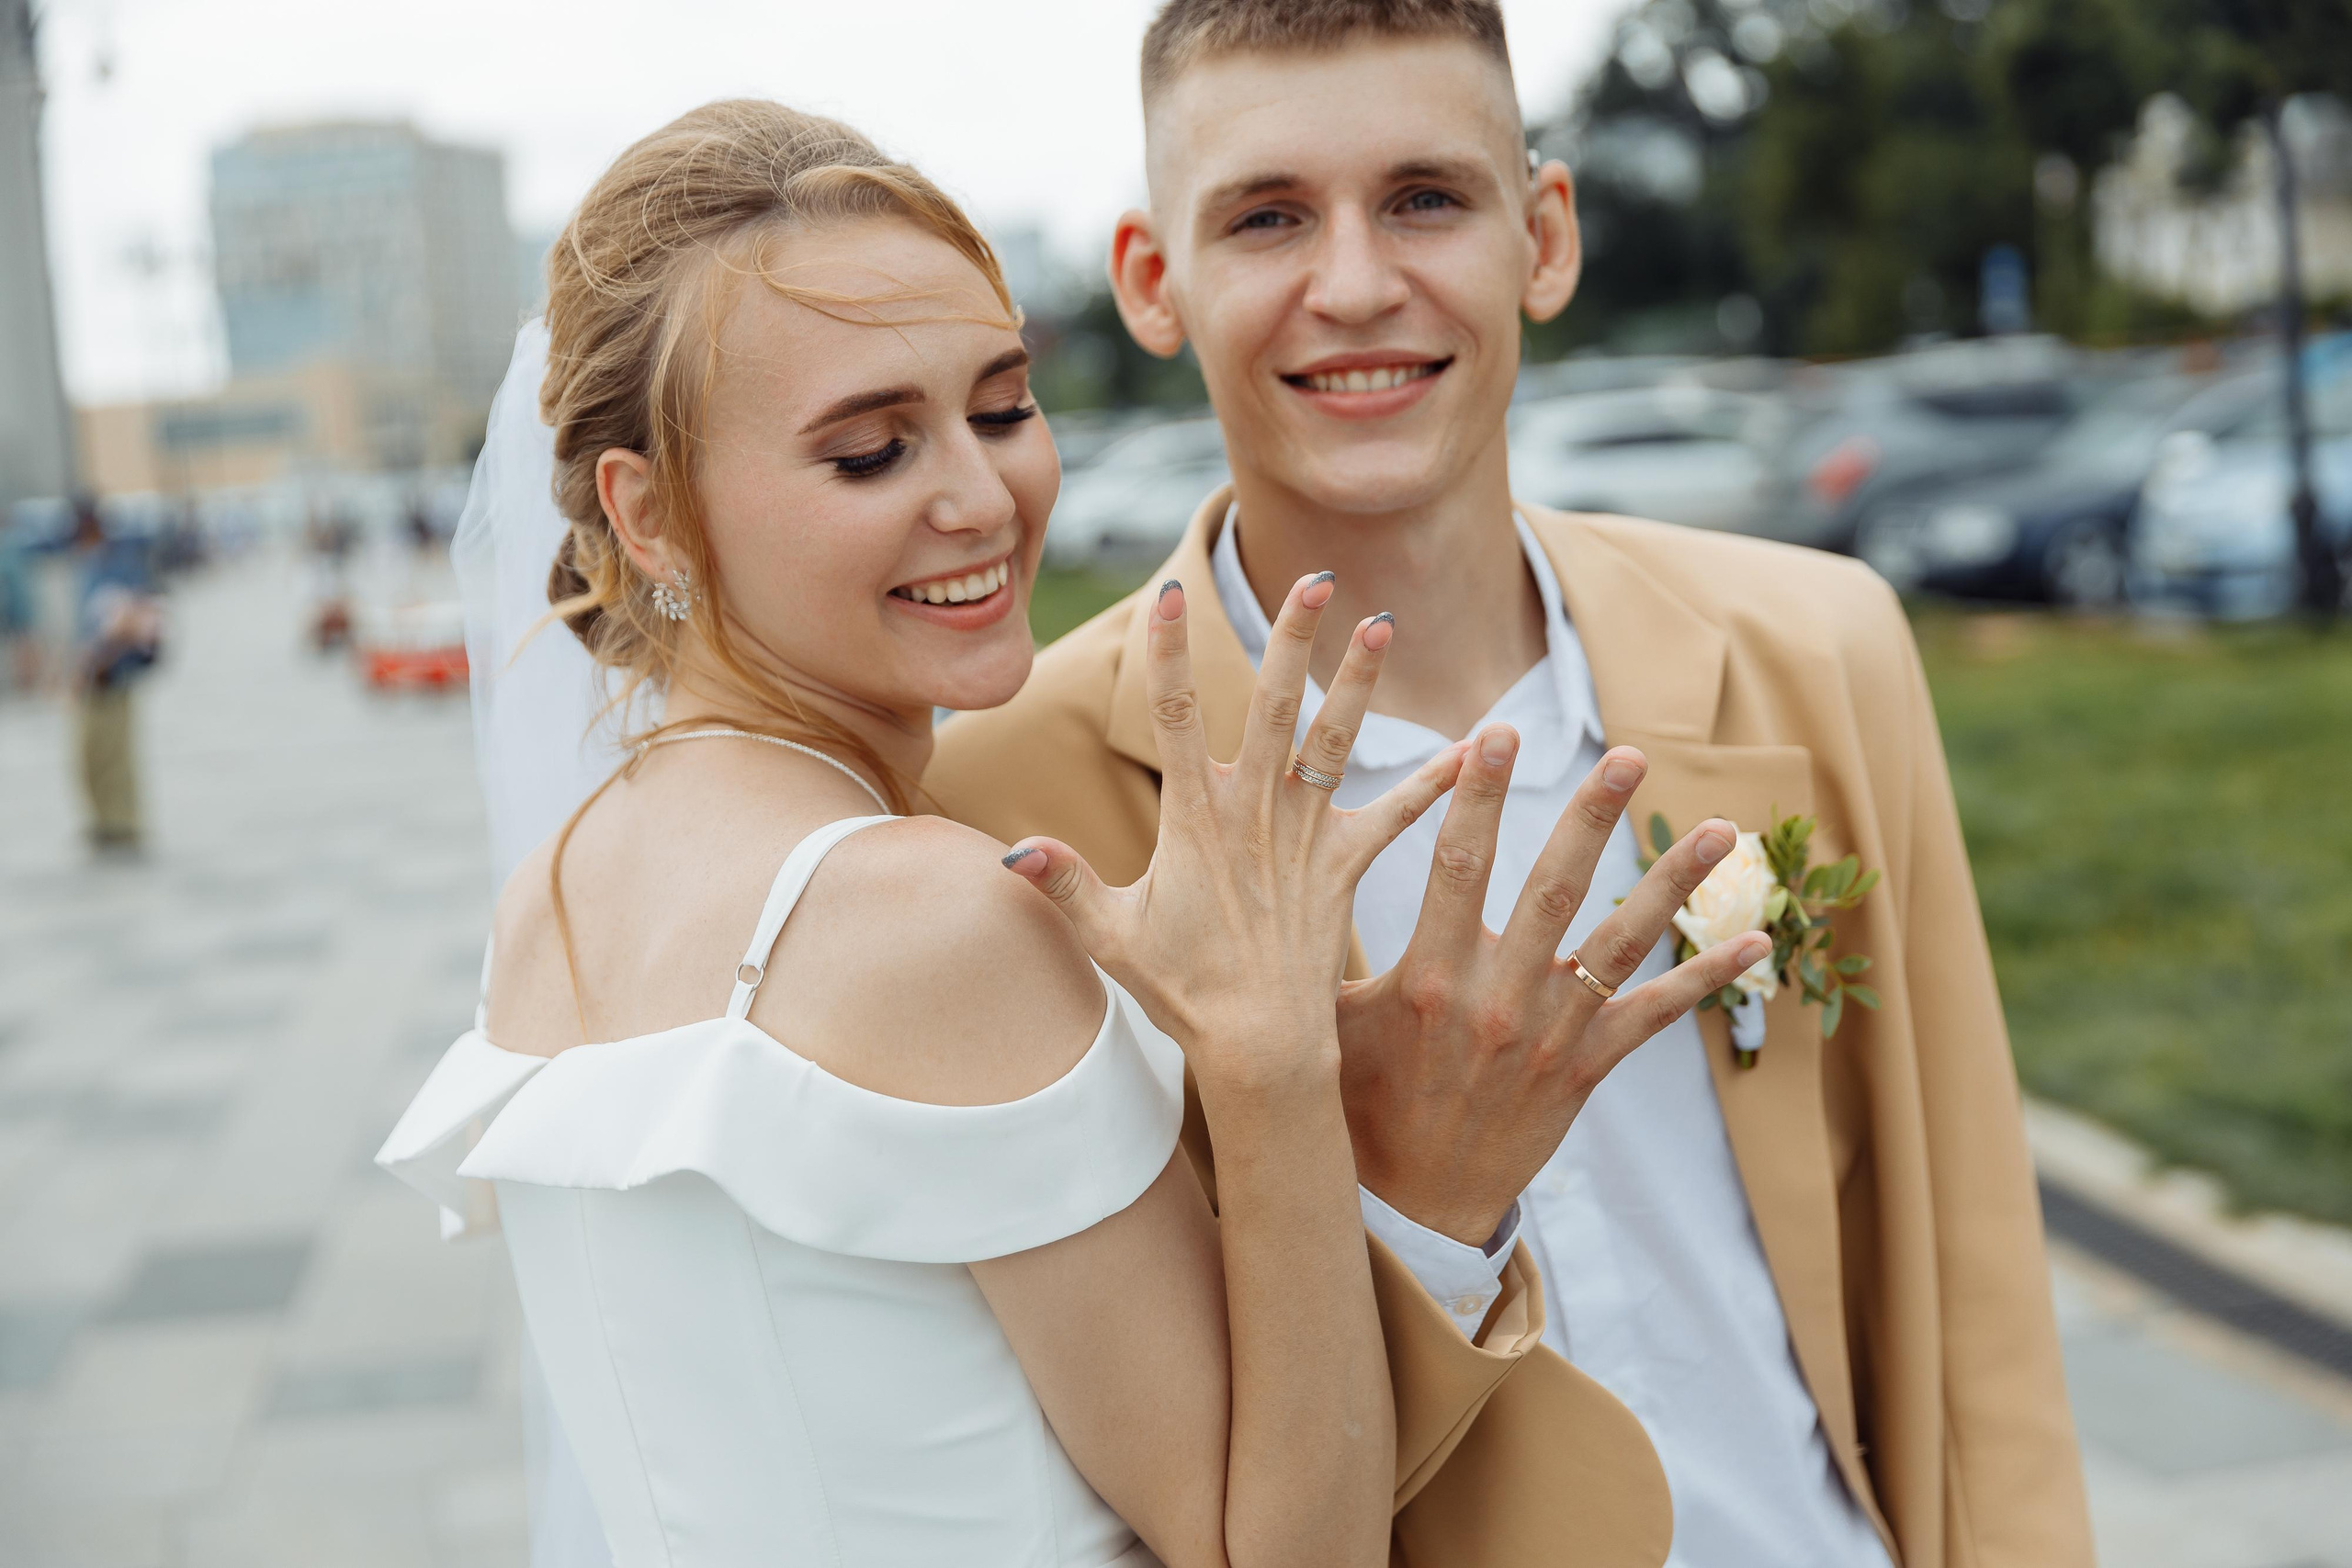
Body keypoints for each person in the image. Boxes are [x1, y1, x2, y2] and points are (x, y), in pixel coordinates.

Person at [381, 101, 1764, 1568]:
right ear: (646, 514)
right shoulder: (934, 920)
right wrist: (1274, 1052)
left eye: (999, 406)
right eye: (868, 453)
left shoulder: (557, 887)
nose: (982, 498)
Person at [927, 4, 2096, 1566]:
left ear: (1542, 236)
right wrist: (1418, 1209)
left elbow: (1976, 1289)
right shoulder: (1002, 803)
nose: (1353, 285)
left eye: (1424, 197)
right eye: (1268, 216)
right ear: (1155, 281)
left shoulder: (1823, 650)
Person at [69, 496, 161, 852]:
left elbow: (134, 620)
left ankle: (123, 821)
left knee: (116, 753)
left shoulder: (121, 564)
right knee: (91, 753)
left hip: (114, 674)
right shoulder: (89, 564)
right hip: (93, 674)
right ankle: (104, 819)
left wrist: (101, 659)